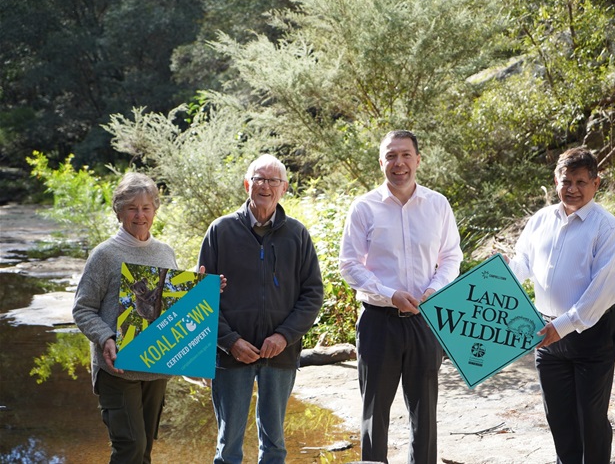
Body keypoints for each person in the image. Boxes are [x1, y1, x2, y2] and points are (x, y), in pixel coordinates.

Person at [339, 130, 462, 464]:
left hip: (426, 321)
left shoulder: (437, 204)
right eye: (391, 156)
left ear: (418, 160)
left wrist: (435, 290)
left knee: (425, 413)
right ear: (381, 162)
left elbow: (451, 256)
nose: (399, 163)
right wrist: (390, 294)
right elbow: (348, 264)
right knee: (374, 413)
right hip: (379, 321)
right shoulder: (364, 208)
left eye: (406, 155)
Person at [506, 146, 615, 464]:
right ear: (555, 181)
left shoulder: (607, 228)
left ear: (596, 183)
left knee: (590, 418)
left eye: (580, 182)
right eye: (566, 181)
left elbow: (601, 292)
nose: (572, 189)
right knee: (559, 417)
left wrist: (563, 327)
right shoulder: (540, 220)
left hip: (592, 331)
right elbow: (522, 263)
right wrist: (497, 274)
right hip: (545, 332)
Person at [198, 154, 323, 464]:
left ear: (284, 188)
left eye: (273, 181)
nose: (265, 186)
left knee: (275, 443)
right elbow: (202, 296)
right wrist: (229, 341)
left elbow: (312, 293)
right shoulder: (220, 231)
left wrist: (284, 336)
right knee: (228, 445)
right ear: (246, 184)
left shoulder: (297, 234)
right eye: (259, 179)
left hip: (279, 354)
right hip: (230, 355)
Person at [72, 172, 178, 463]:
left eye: (146, 207)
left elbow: (169, 309)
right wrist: (105, 337)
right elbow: (82, 309)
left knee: (143, 450)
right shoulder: (104, 255)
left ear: (155, 210)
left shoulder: (165, 252)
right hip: (117, 370)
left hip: (156, 368)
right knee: (129, 447)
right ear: (119, 211)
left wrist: (201, 293)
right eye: (132, 207)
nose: (140, 215)